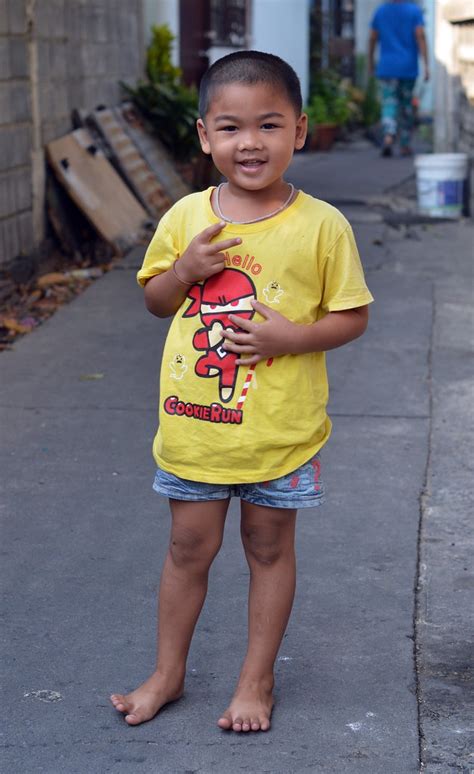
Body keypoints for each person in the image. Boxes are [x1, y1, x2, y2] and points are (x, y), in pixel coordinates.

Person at [110, 50, 373, 733]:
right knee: (187, 551)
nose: (249, 142)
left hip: (281, 434)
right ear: (204, 135)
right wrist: (184, 270)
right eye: (230, 127)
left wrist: (291, 338)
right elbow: (155, 302)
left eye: (269, 124)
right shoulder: (185, 219)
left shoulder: (322, 226)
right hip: (196, 429)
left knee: (268, 548)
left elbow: (352, 316)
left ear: (300, 130)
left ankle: (256, 682)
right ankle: (167, 674)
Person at [368, 0, 429, 157]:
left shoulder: (381, 11)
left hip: (387, 67)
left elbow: (372, 38)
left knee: (389, 104)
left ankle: (388, 136)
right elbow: (420, 35)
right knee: (406, 106)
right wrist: (427, 65)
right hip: (408, 67)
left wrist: (370, 62)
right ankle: (405, 144)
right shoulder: (414, 11)